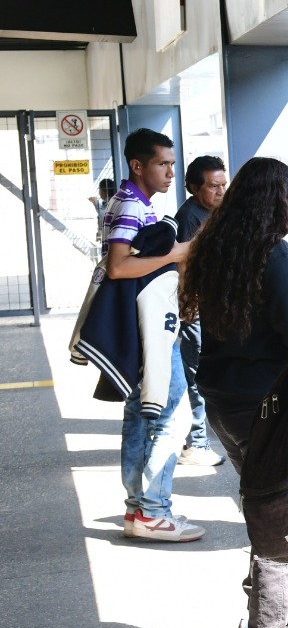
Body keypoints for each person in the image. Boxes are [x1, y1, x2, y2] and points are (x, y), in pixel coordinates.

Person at [177, 156, 288, 628]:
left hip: (226, 403)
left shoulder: (218, 246)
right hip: (268, 406)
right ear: (275, 202)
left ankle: (258, 626)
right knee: (281, 519)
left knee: (267, 508)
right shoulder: (273, 256)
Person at [103, 128, 203, 542]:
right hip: (150, 331)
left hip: (140, 325)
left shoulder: (132, 201)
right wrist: (178, 253)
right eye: (162, 163)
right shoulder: (131, 204)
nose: (169, 172)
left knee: (141, 417)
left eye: (172, 164)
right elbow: (118, 266)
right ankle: (154, 512)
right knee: (172, 416)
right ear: (137, 165)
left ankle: (136, 511)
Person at [173, 155, 228, 468]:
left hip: (206, 306)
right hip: (194, 310)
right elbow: (185, 264)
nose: (220, 191)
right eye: (212, 186)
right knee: (196, 375)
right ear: (194, 187)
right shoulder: (191, 218)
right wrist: (189, 307)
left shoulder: (211, 213)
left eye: (223, 184)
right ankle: (196, 442)